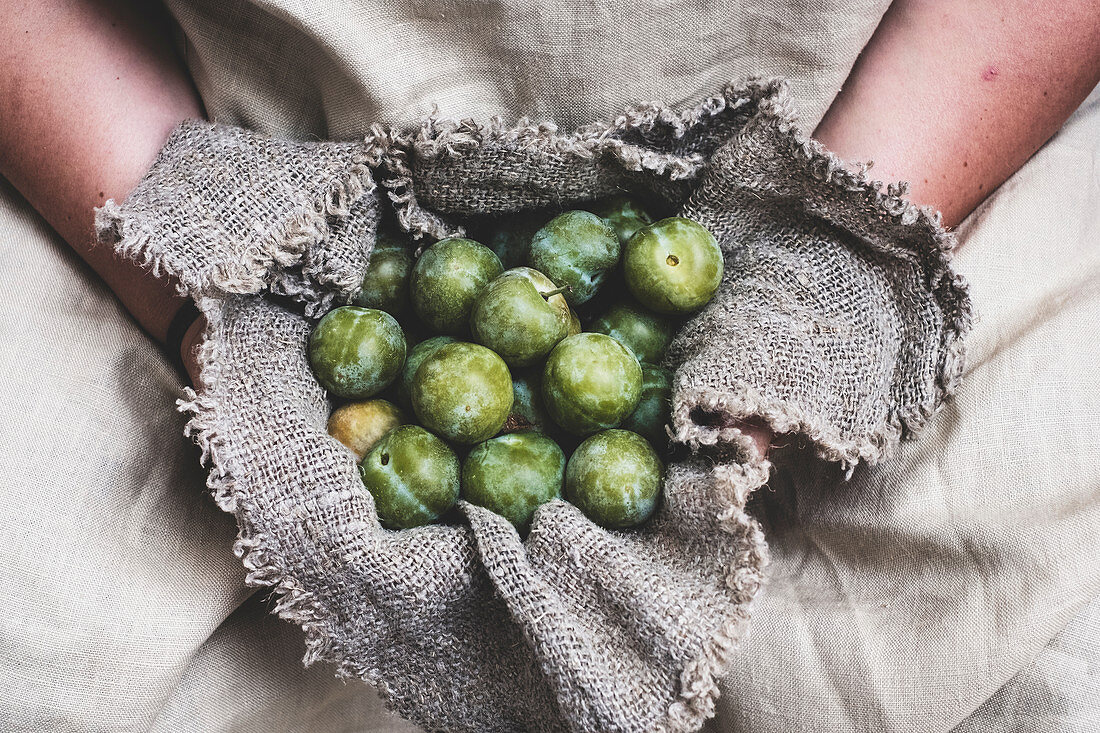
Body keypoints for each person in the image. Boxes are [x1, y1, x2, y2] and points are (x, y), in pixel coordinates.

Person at [0, 0, 1097, 730]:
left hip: (884, 175)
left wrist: (817, 265)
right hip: (190, 175)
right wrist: (215, 313)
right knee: (50, 652)